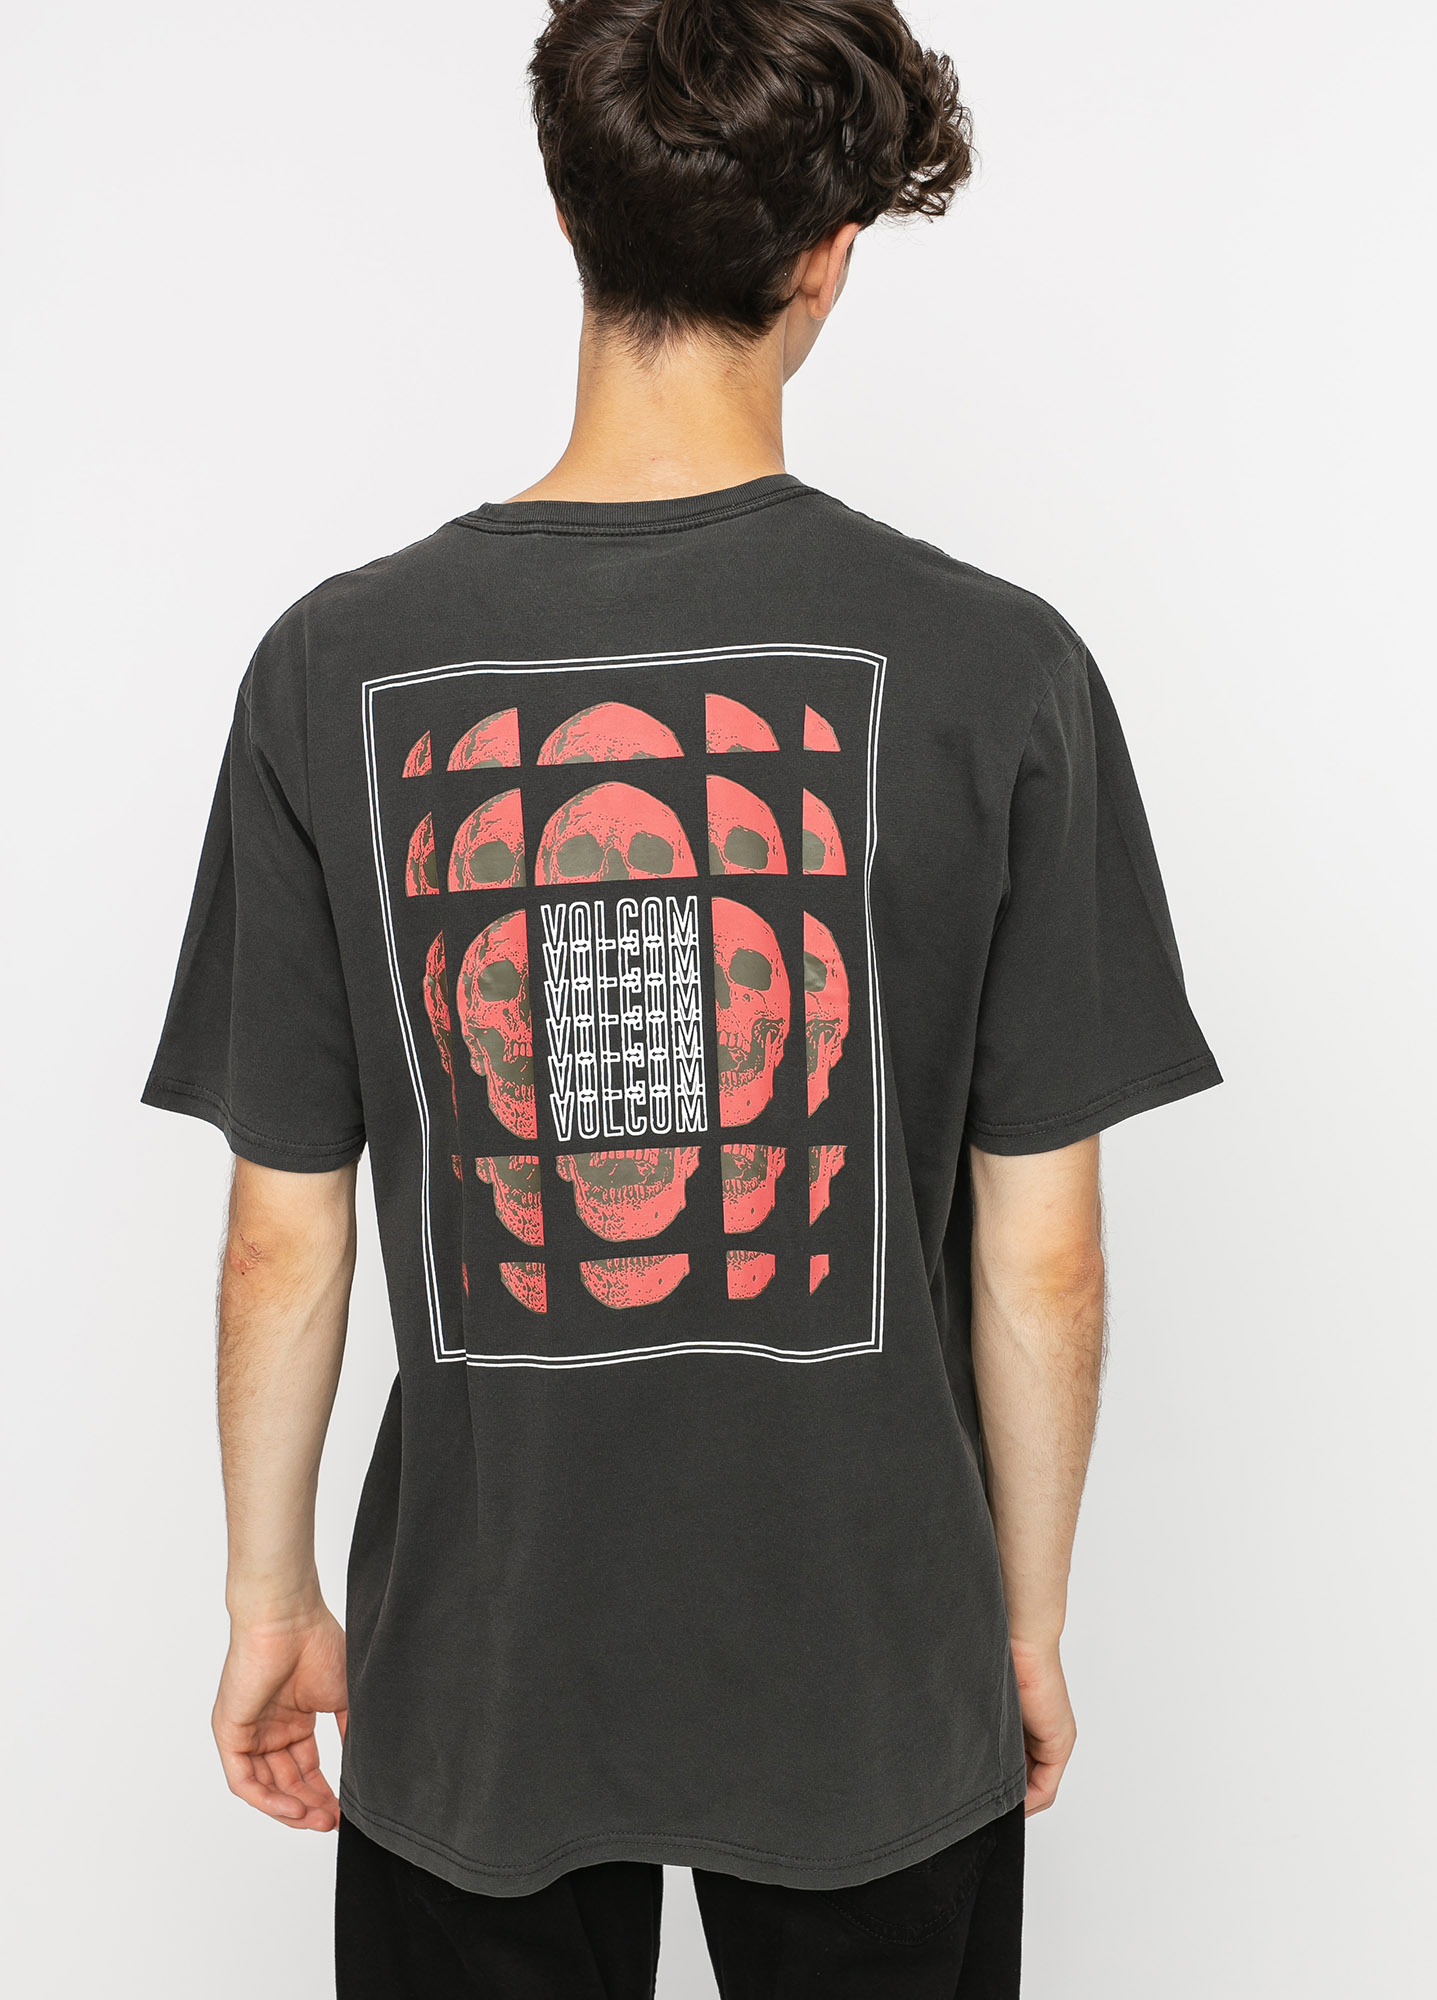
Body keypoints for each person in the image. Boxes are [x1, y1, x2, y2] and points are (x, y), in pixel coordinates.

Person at [143, 1, 1220, 1992]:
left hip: (477, 1667)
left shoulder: (330, 671)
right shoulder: (1003, 672)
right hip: (875, 1664)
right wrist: (1020, 1628)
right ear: (829, 258)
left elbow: (280, 1237)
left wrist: (271, 1598)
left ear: (571, 217)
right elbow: (1044, 1255)